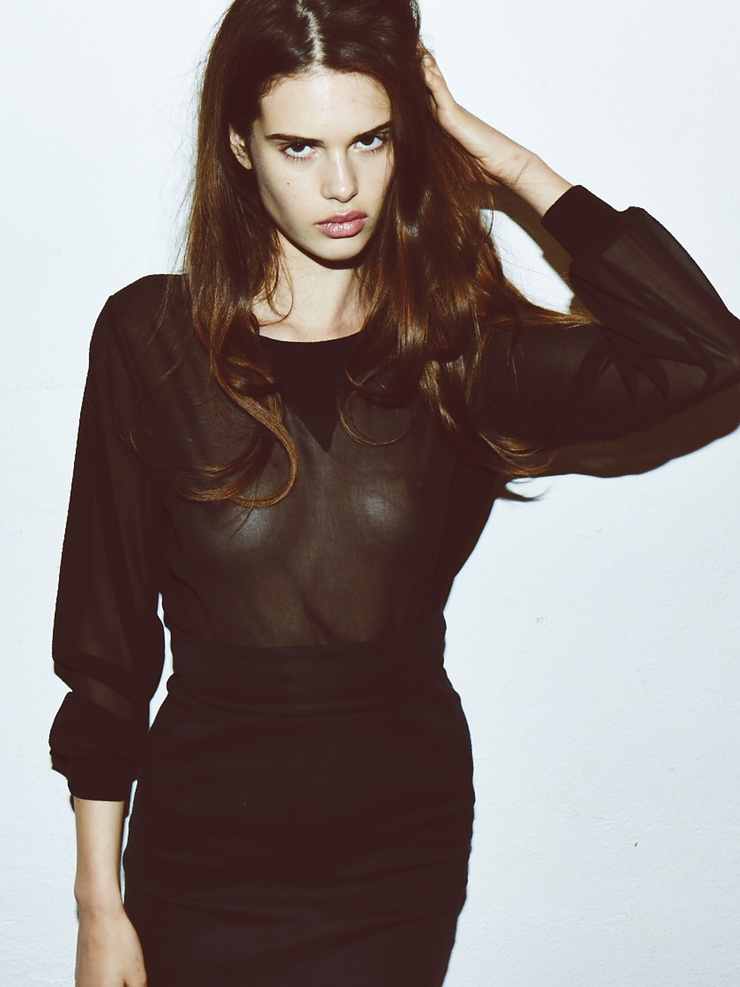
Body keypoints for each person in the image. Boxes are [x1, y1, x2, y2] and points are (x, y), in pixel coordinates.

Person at [48, 0, 740, 984]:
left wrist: (505, 162)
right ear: (239, 147)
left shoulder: (459, 351)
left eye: (369, 139)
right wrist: (97, 903)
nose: (341, 185)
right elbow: (107, 650)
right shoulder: (150, 339)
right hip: (203, 852)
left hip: (395, 852)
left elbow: (706, 355)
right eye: (298, 146)